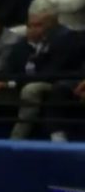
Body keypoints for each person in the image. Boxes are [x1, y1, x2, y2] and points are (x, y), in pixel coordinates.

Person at [11, 8, 85, 139]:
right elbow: (33, 66)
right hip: (49, 79)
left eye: (38, 25)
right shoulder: (29, 44)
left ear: (52, 24)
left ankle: (56, 137)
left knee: (35, 89)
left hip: (65, 79)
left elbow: (54, 70)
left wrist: (24, 80)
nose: (33, 29)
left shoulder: (66, 38)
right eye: (30, 25)